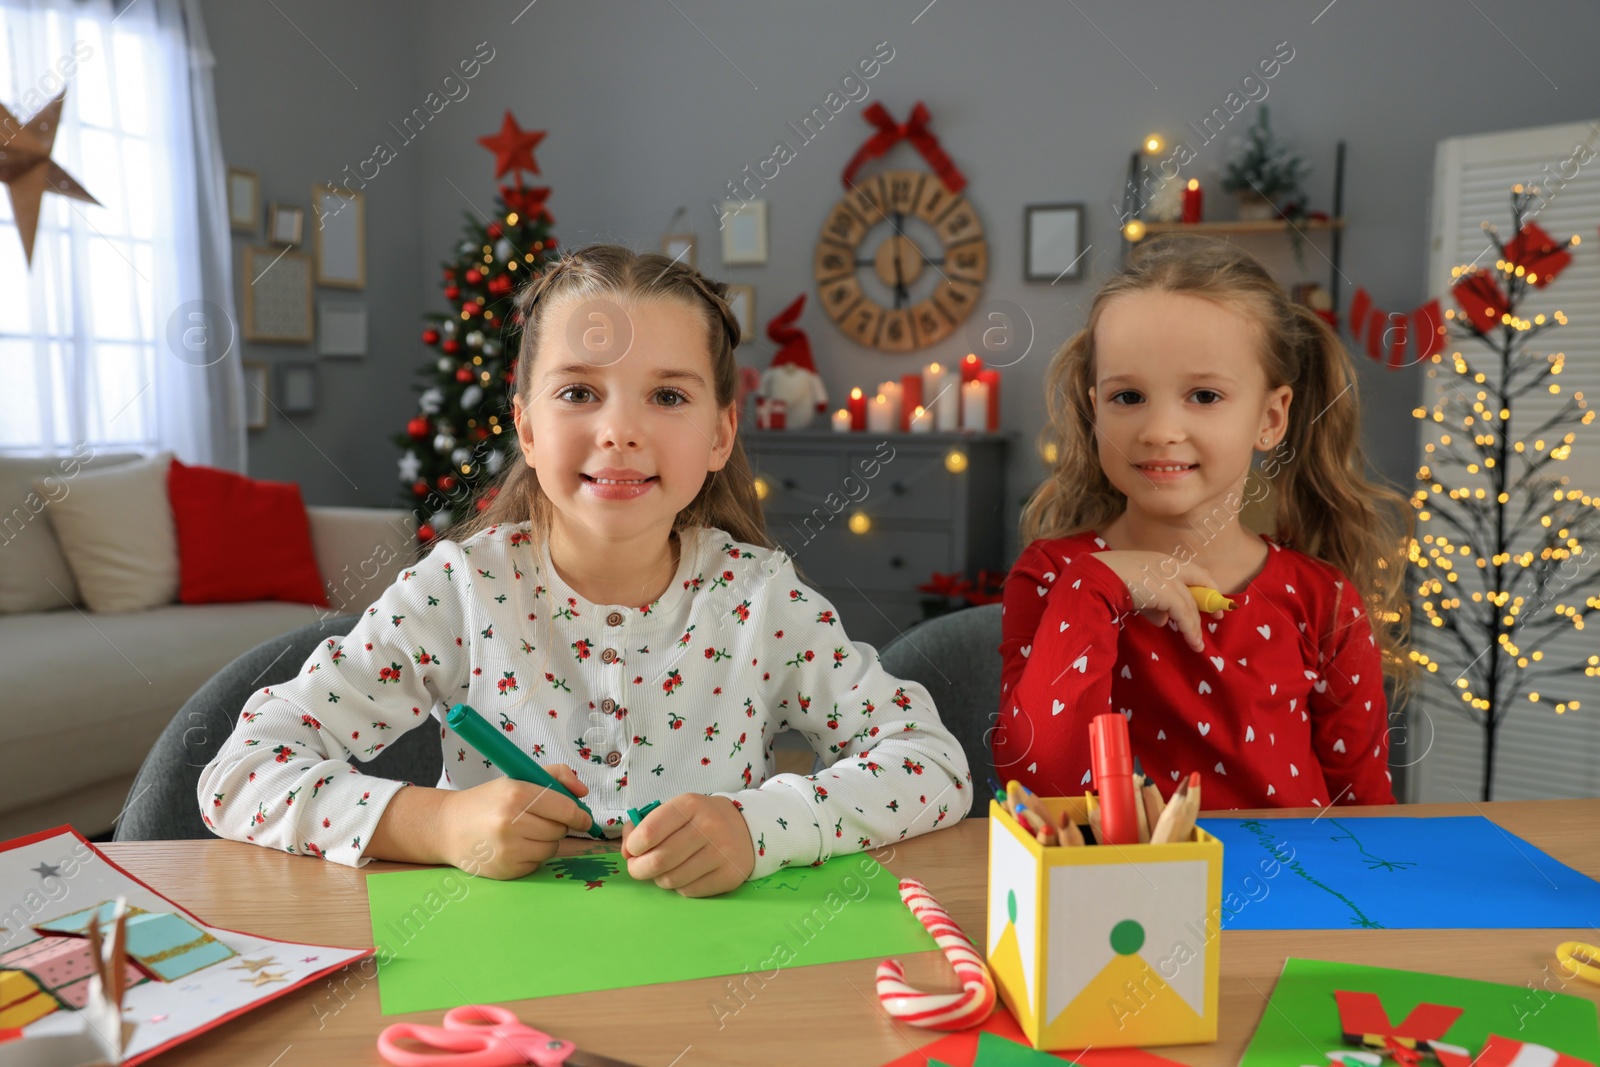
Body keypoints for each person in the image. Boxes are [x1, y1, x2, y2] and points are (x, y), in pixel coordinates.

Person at [199, 245, 970, 895]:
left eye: (668, 395)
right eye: (578, 392)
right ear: (528, 429)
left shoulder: (761, 598)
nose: (621, 431)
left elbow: (933, 764)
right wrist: (437, 825)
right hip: (488, 981)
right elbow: (236, 775)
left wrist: (757, 826)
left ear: (720, 433)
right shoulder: (458, 591)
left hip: (706, 985)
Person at [993, 236, 1411, 810]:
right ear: (1095, 410)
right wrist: (1093, 589)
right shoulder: (1055, 577)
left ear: (1270, 418)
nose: (1159, 429)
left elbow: (1367, 816)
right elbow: (1040, 785)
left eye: (1205, 395)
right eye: (1129, 396)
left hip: (1289, 896)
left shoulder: (1325, 602)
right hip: (1122, 898)